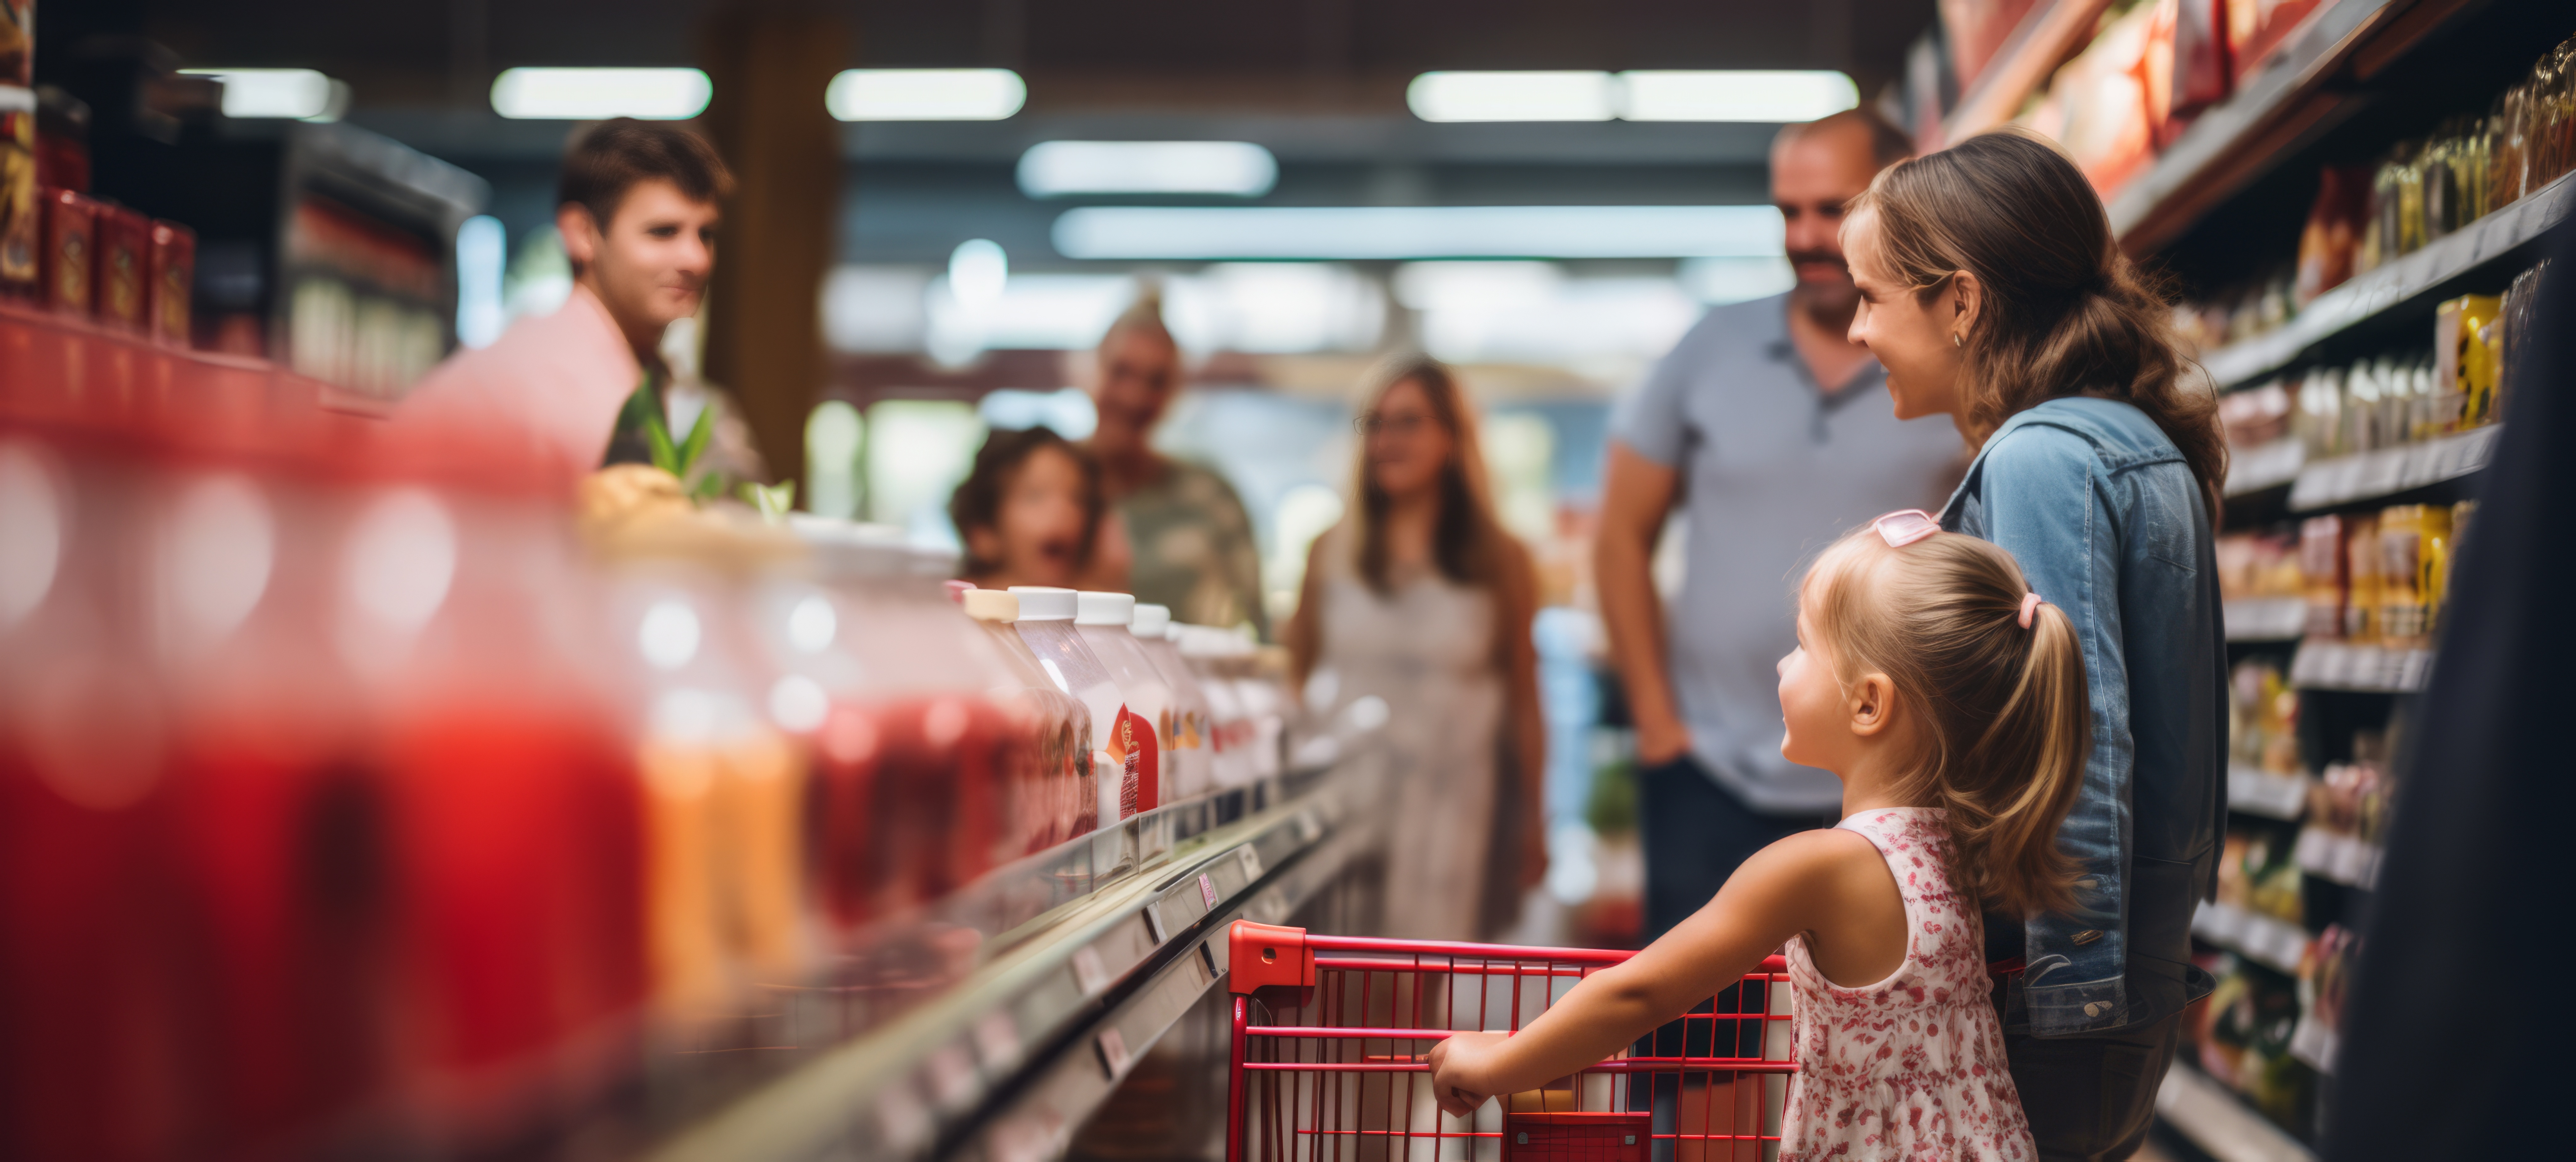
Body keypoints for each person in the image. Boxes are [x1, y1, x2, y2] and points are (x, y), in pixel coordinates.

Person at [1430, 517, 2088, 1161]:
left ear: (1867, 704)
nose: (1782, 662)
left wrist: (1502, 1064)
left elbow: (1643, 993)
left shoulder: (1819, 867)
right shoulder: (1954, 847)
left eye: (1803, 644)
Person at [1839, 129, 2227, 1161]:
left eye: (1874, 296)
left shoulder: (2044, 459)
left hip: (2052, 988)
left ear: (1960, 302)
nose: (1857, 329)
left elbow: (2080, 740)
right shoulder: (2123, 437)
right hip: (2108, 981)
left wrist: (2073, 995)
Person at [1594, 106, 1963, 947]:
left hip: (1896, 785)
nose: (1804, 235)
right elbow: (1619, 538)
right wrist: (1659, 726)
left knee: (1872, 1039)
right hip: (1708, 768)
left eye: (1832, 209)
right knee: (1695, 1053)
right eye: (1786, 212)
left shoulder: (1947, 357)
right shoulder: (1709, 350)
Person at [1284, 356, 1544, 941]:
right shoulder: (1329, 552)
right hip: (1339, 800)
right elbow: (1295, 679)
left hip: (1451, 806)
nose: (1387, 441)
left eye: (1409, 422)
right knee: (1334, 975)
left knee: (1419, 974)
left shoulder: (1504, 562)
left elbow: (1526, 699)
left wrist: (1534, 822)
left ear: (1452, 437)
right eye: (1374, 424)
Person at [404, 119, 743, 486]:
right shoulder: (533, 384)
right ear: (582, 234)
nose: (697, 259)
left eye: (706, 235)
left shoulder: (655, 383)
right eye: (663, 232)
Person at [1082, 291, 1267, 636]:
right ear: (1092, 369)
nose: (1134, 396)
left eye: (1155, 381)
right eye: (1122, 372)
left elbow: (1257, 624)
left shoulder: (1209, 495)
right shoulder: (1047, 486)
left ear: (1173, 393)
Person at [949, 426, 1106, 591]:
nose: (1063, 510)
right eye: (1035, 496)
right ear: (983, 532)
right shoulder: (958, 606)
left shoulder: (1094, 605)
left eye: (1078, 498)